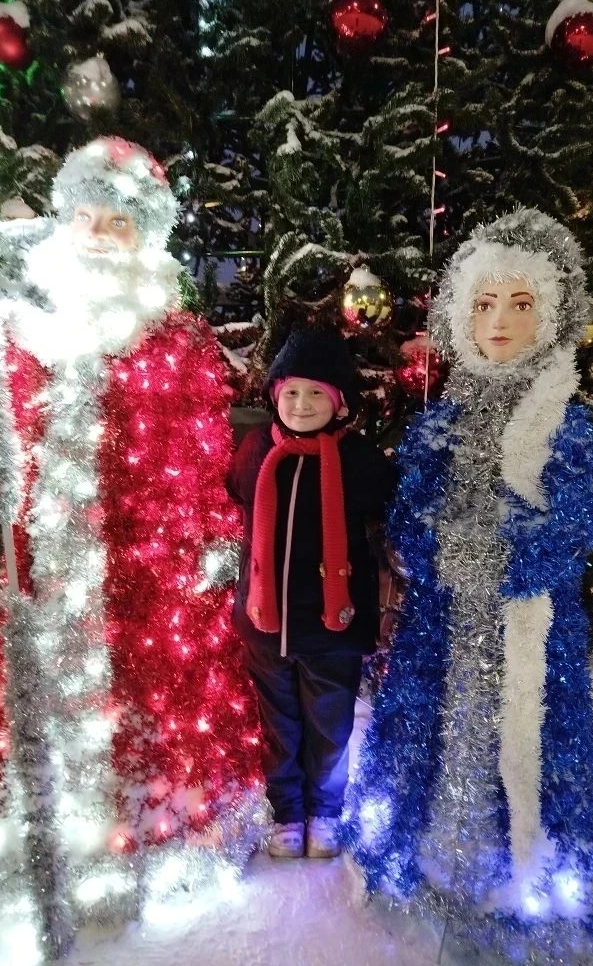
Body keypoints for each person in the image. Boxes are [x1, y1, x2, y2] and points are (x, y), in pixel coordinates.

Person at [0, 137, 267, 950]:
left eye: (120, 222)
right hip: (54, 569)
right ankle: (40, 844)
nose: (100, 234)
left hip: (151, 574)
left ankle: (157, 836)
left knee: (156, 710)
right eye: (87, 215)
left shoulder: (177, 339)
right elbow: (5, 442)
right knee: (48, 705)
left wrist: (213, 538)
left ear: (146, 233)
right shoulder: (21, 330)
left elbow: (203, 454)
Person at [342, 210, 593, 964]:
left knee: (530, 747)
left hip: (529, 630)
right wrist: (438, 551)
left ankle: (527, 880)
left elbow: (570, 529)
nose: (499, 322)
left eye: (520, 303)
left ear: (550, 315)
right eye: (484, 304)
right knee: (435, 738)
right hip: (441, 627)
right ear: (462, 316)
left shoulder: (566, 426)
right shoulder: (439, 423)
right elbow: (407, 518)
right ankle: (430, 860)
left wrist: (496, 560)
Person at [227, 326, 395, 859]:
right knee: (278, 726)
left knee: (329, 725)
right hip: (265, 622)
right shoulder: (256, 449)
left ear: (339, 402)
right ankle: (286, 812)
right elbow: (237, 494)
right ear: (275, 395)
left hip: (331, 629)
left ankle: (325, 811)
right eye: (292, 391)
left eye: (317, 393)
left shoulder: (359, 460)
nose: (302, 404)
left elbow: (388, 511)